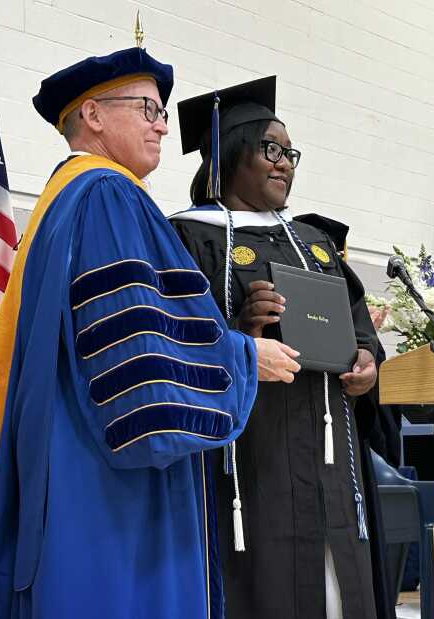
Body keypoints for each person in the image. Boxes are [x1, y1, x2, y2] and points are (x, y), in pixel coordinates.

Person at [0, 49, 301, 619]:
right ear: (94, 115)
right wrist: (245, 355)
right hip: (108, 489)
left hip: (71, 461)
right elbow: (141, 347)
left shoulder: (64, 198)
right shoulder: (107, 195)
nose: (163, 123)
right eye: (149, 108)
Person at [169, 77, 384, 619]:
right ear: (229, 154)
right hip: (252, 455)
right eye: (271, 149)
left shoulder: (313, 242)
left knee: (339, 584)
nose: (284, 162)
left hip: (330, 449)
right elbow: (178, 339)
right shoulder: (189, 237)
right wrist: (242, 330)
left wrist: (366, 363)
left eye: (290, 152)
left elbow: (360, 331)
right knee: (265, 585)